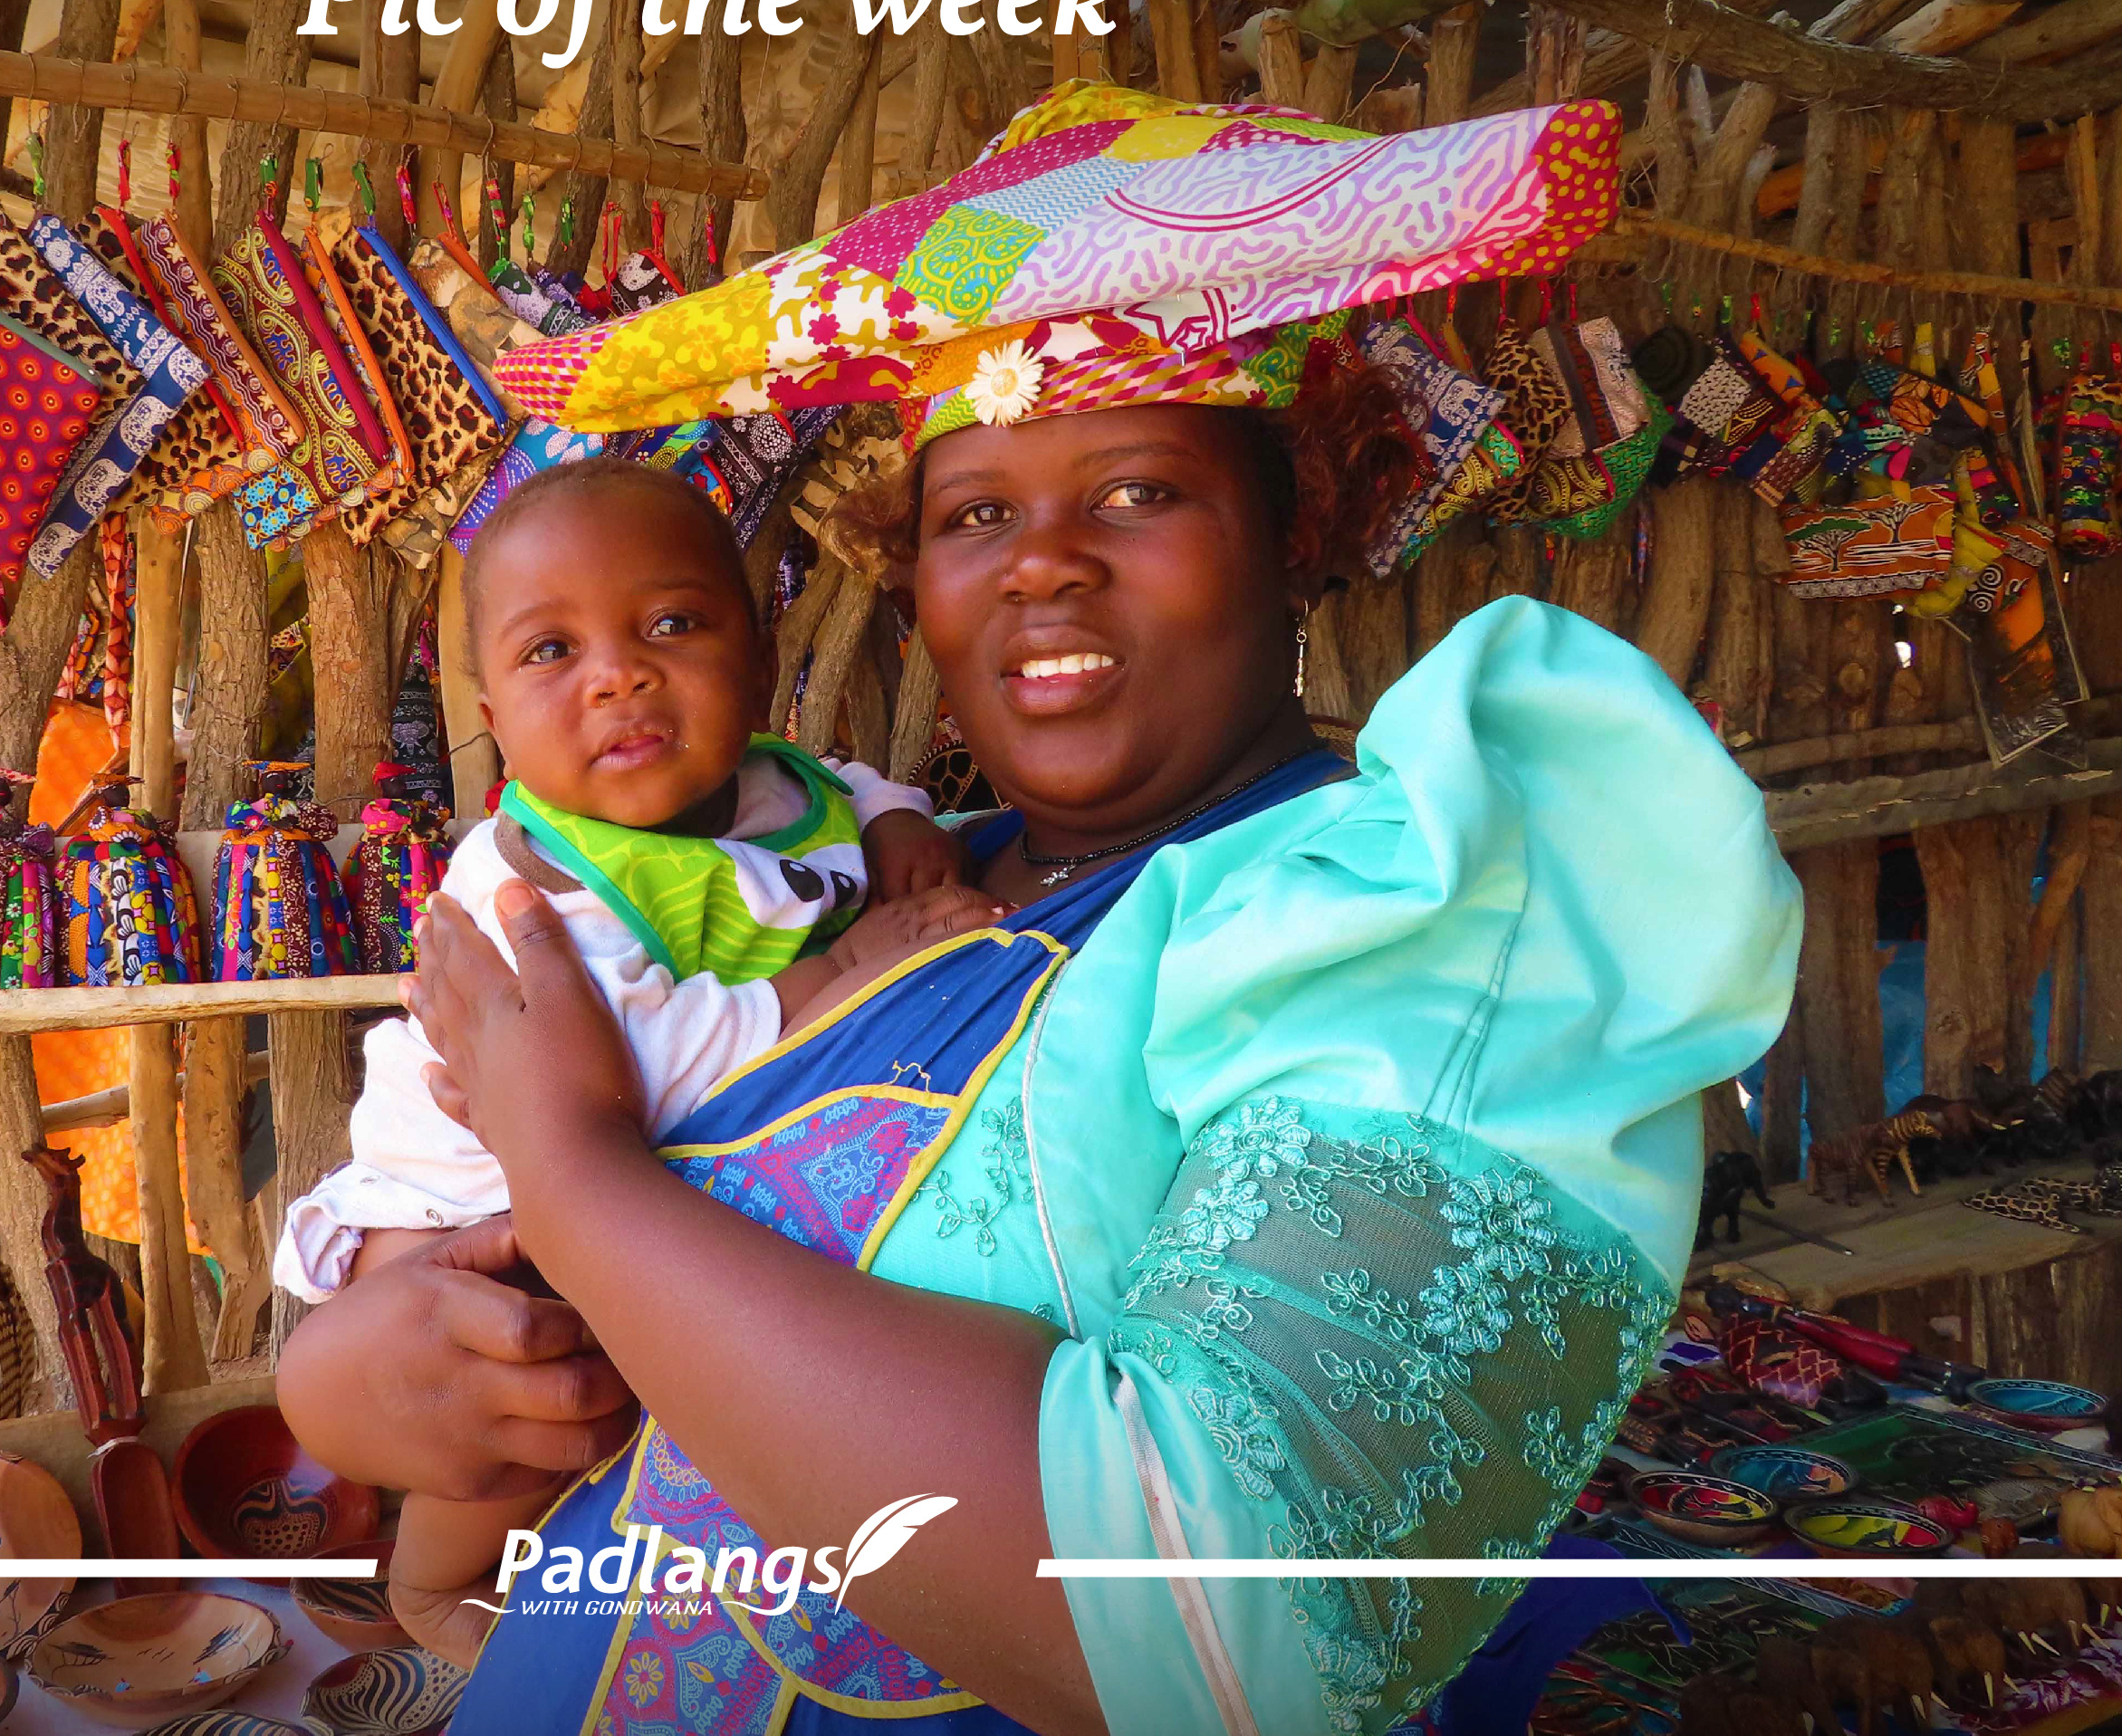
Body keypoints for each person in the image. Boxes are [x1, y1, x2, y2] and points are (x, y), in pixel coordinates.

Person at [274, 83, 1800, 1736]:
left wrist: (574, 1180)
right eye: (974, 514)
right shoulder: (871, 878)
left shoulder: (1419, 916)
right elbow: (561, 1323)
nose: (1040, 564)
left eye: (1136, 492)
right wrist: (361, 1376)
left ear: (1295, 531)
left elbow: (1226, 1642)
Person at [274, 457, 998, 1652]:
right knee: (534, 1399)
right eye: (550, 652)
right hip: (473, 1208)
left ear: (758, 663)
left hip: (601, 1190)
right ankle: (436, 1586)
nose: (618, 674)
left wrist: (899, 823)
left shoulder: (771, 789)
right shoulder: (530, 880)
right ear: (494, 720)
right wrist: (845, 971)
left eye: (670, 623)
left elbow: (844, 787)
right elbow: (633, 1061)